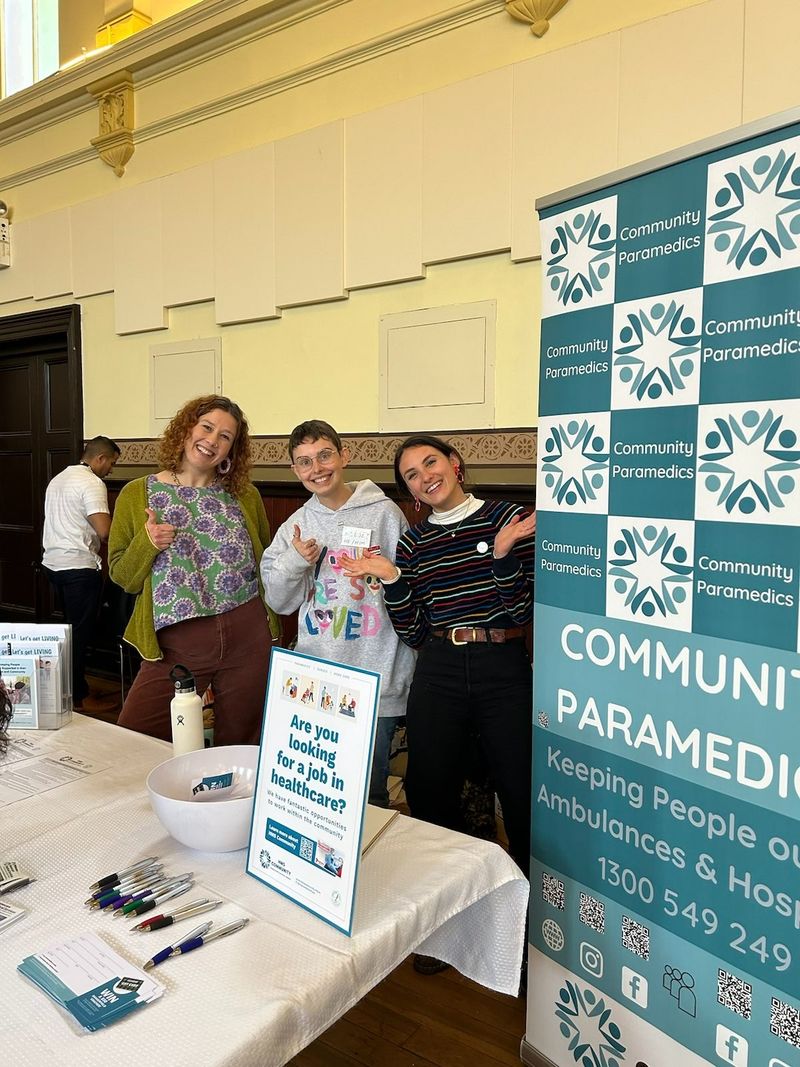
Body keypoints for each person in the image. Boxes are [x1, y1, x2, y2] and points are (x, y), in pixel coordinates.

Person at [340, 434, 536, 870]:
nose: (426, 477)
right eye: (412, 474)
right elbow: (414, 632)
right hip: (439, 668)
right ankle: (441, 889)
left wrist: (502, 555)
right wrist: (393, 578)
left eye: (431, 463)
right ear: (409, 490)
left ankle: (529, 903)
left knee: (520, 788)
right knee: (428, 788)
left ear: (454, 463)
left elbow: (522, 610)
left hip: (502, 665)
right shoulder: (413, 544)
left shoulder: (505, 518)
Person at [260, 420, 416, 808]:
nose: (318, 468)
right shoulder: (296, 525)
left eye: (325, 455)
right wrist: (297, 560)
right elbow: (279, 601)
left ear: (344, 456)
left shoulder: (384, 514)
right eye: (305, 461)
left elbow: (408, 585)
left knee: (371, 789)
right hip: (318, 677)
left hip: (377, 676)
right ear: (295, 471)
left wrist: (384, 574)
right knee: (323, 785)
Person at [109, 395, 279, 745]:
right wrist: (148, 543)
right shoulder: (138, 493)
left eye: (225, 436)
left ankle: (229, 800)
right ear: (186, 429)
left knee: (241, 741)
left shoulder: (245, 496)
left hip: (249, 635)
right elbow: (122, 577)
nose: (212, 440)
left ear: (232, 450)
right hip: (178, 642)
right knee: (133, 738)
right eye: (207, 427)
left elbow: (267, 564)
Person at [42, 435, 121, 709]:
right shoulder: (91, 482)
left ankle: (66, 693)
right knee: (80, 636)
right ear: (100, 458)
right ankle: (78, 698)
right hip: (78, 568)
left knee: (70, 632)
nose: (111, 470)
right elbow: (105, 530)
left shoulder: (59, 478)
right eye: (111, 463)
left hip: (53, 565)